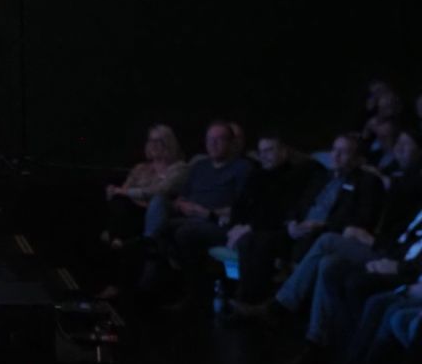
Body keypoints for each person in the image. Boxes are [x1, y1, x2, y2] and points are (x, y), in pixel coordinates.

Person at [140, 120, 254, 306]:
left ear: (231, 143)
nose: (213, 144)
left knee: (182, 232)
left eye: (219, 139)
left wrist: (206, 212)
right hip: (188, 216)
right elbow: (181, 197)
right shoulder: (200, 166)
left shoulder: (242, 168)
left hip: (216, 222)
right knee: (160, 214)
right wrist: (182, 205)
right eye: (209, 140)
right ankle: (155, 272)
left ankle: (194, 293)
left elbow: (241, 208)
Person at [225, 130, 326, 304]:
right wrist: (236, 226)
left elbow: (280, 212)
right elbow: (239, 204)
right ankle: (239, 297)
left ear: (283, 151)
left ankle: (250, 301)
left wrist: (249, 227)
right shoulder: (256, 175)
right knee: (243, 240)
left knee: (253, 241)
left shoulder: (294, 176)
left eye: (269, 150)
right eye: (261, 151)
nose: (264, 156)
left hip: (277, 228)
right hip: (250, 227)